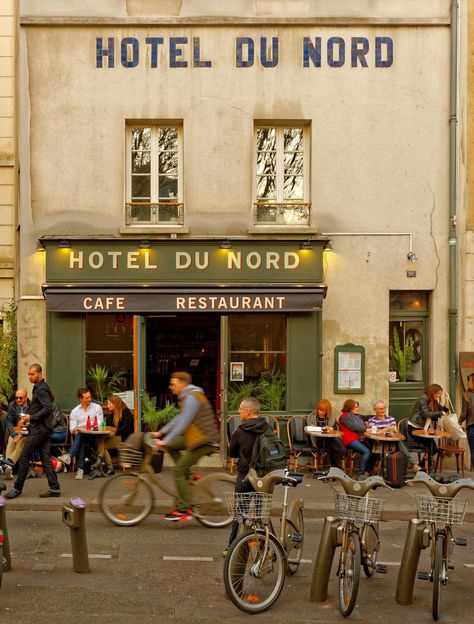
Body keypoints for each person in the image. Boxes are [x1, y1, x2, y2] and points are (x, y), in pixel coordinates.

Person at [152, 371, 219, 522]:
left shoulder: (192, 398)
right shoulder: (187, 397)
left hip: (205, 441)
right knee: (171, 446)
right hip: (195, 438)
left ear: (183, 384)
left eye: (173, 384)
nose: (171, 387)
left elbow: (184, 422)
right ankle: (188, 474)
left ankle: (184, 509)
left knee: (177, 471)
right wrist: (161, 433)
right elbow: (179, 418)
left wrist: (166, 439)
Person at [5, 363, 61, 499]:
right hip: (43, 429)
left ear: (40, 374)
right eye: (29, 374)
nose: (30, 376)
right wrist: (26, 419)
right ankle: (55, 489)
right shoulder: (39, 388)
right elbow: (38, 407)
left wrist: (31, 417)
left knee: (24, 457)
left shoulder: (41, 389)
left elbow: (47, 409)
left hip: (40, 431)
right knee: (46, 459)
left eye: (32, 374)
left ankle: (17, 488)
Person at [224, 397, 268, 555]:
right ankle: (263, 545)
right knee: (260, 513)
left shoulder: (240, 431)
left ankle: (232, 547)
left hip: (245, 476)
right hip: (262, 478)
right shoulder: (267, 428)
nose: (238, 411)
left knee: (239, 512)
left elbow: (232, 453)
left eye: (240, 408)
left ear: (248, 411)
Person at [59, 388, 103, 480]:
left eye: (90, 397)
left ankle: (71, 457)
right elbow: (72, 428)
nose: (89, 399)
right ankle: (79, 468)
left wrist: (84, 427)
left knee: (81, 434)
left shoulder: (97, 407)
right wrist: (75, 430)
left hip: (95, 437)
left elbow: (99, 423)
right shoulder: (75, 411)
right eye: (87, 398)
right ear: (80, 399)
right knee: (81, 436)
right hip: (81, 437)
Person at [366, 400, 420, 473]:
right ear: (375, 410)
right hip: (379, 443)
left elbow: (396, 432)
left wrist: (393, 430)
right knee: (399, 443)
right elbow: (374, 432)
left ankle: (407, 467)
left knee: (398, 441)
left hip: (391, 442)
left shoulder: (391, 418)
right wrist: (386, 429)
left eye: (384, 408)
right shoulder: (372, 420)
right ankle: (412, 464)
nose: (383, 410)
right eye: (380, 409)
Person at [407, 383, 449, 460]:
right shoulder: (423, 398)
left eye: (440, 394)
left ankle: (424, 466)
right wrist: (440, 413)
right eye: (438, 393)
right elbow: (426, 414)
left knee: (432, 448)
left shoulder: (433, 400)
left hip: (423, 429)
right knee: (433, 448)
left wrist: (446, 400)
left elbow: (443, 411)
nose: (439, 395)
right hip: (415, 427)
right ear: (433, 392)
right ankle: (424, 466)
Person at [96, 395, 134, 476]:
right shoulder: (110, 415)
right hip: (114, 438)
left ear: (115, 403)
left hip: (124, 438)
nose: (107, 406)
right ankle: (108, 466)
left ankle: (107, 465)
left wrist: (115, 432)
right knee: (101, 443)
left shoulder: (125, 411)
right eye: (107, 404)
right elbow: (109, 428)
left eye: (110, 404)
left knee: (101, 445)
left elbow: (127, 426)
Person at [338, 399, 371, 481]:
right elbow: (353, 427)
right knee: (366, 451)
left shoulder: (357, 416)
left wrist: (378, 414)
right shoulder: (344, 417)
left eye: (357, 407)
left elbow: (367, 417)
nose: (357, 409)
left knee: (373, 447)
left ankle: (368, 469)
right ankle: (361, 474)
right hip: (349, 440)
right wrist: (365, 429)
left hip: (358, 438)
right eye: (355, 407)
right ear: (350, 408)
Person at [308, 399, 346, 468]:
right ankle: (336, 468)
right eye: (320, 410)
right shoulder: (312, 417)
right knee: (331, 444)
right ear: (317, 409)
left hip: (329, 440)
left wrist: (331, 428)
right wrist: (320, 429)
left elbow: (335, 429)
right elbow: (310, 429)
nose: (321, 412)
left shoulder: (331, 418)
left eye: (324, 411)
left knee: (330, 444)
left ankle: (328, 468)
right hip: (317, 440)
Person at [5, 389, 30, 468]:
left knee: (22, 442)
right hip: (15, 431)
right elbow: (9, 421)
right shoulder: (12, 405)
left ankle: (7, 464)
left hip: (28, 433)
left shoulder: (32, 406)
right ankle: (7, 467)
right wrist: (14, 434)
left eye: (21, 398)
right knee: (11, 439)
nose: (18, 400)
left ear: (26, 398)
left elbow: (34, 423)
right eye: (17, 398)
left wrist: (21, 435)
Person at [459, 373, 474, 469]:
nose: (468, 382)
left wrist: (459, 422)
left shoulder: (466, 396)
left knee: (473, 450)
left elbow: (464, 413)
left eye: (469, 380)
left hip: (472, 426)